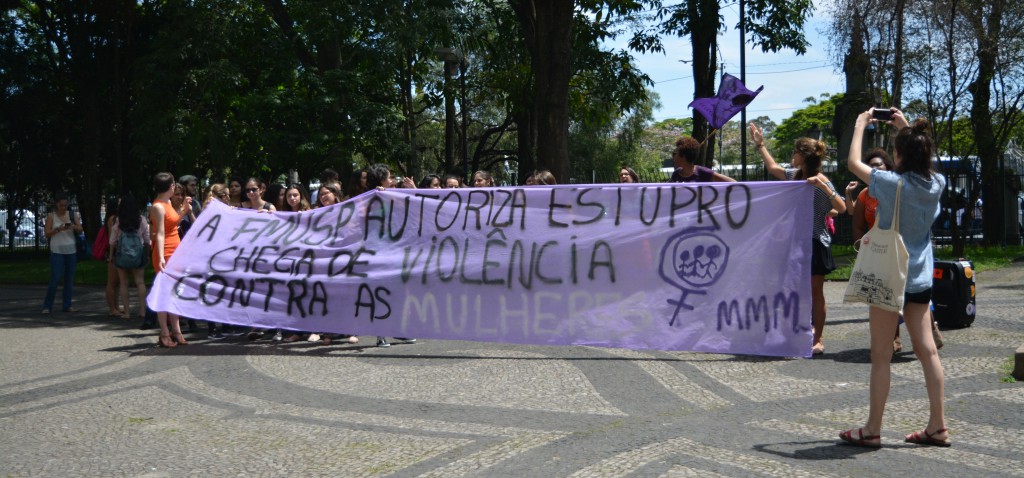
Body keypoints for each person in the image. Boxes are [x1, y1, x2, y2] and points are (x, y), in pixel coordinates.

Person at [839, 108, 949, 448]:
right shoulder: (937, 183)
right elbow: (926, 162)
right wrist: (905, 128)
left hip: (889, 275)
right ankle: (938, 426)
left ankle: (872, 428)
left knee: (881, 355)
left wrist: (860, 125)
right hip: (919, 278)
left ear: (898, 155)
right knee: (927, 351)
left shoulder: (890, 183)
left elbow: (853, 163)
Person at [749, 123, 846, 355]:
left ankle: (818, 338)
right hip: (793, 243)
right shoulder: (794, 176)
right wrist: (760, 145)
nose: (792, 157)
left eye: (794, 152)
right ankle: (794, 332)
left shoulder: (821, 180)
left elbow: (841, 207)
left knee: (815, 292)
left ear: (802, 156)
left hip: (814, 242)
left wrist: (824, 187)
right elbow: (773, 168)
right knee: (789, 289)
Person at [366, 163, 416, 347]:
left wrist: (413, 190)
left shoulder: (394, 195)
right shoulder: (372, 200)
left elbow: (418, 208)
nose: (393, 180)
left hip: (397, 251)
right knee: (383, 292)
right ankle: (381, 333)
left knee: (399, 292)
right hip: (380, 253)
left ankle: (397, 330)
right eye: (389, 177)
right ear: (380, 181)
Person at [151, 172, 191, 347]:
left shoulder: (167, 203)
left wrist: (183, 212)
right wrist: (160, 256)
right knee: (164, 294)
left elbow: (172, 224)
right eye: (174, 184)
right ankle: (165, 333)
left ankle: (177, 331)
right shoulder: (158, 206)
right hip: (165, 252)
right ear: (170, 186)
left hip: (175, 250)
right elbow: (159, 233)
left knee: (174, 293)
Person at [110, 194, 150, 321]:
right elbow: (147, 239)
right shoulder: (141, 219)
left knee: (123, 283)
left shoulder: (118, 220)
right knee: (140, 282)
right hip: (138, 255)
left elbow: (112, 241)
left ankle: (127, 312)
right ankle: (142, 311)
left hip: (122, 255)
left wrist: (111, 256)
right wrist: (147, 254)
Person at [41, 193, 83, 314]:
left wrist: (73, 226)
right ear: (56, 205)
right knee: (56, 277)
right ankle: (47, 305)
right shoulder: (51, 216)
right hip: (57, 251)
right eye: (61, 205)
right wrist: (58, 229)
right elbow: (47, 233)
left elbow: (80, 229)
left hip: (71, 250)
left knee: (69, 279)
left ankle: (67, 305)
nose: (63, 207)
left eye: (65, 205)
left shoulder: (72, 214)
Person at [670, 137, 736, 183]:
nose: (673, 157)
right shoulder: (676, 174)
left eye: (675, 153)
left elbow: (733, 182)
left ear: (683, 156)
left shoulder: (702, 172)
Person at [102, 196, 123, 317]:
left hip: (116, 251)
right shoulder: (112, 219)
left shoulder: (116, 218)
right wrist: (112, 254)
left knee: (118, 282)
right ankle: (112, 308)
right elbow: (112, 238)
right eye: (119, 203)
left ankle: (116, 305)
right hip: (113, 251)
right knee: (112, 281)